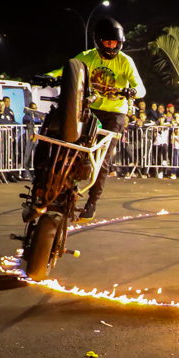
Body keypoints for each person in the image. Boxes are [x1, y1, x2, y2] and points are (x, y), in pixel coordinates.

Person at [62, 18, 145, 219]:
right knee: (73, 149)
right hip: (90, 110)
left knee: (103, 160)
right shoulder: (87, 57)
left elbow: (141, 88)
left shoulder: (125, 61)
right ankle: (66, 191)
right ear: (99, 42)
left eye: (115, 43)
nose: (111, 46)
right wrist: (49, 76)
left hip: (115, 115)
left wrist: (132, 91)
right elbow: (68, 70)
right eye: (107, 42)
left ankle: (91, 203)